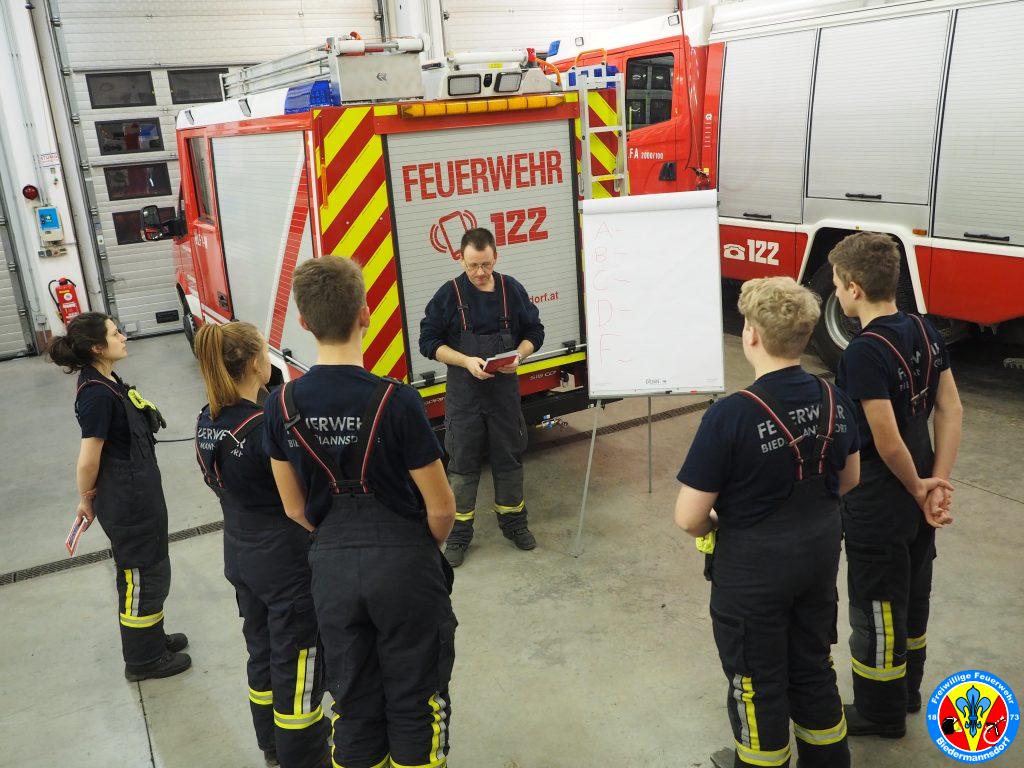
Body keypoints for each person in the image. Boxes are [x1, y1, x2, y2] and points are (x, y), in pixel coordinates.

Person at [264, 256, 457, 768]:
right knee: (416, 697)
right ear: (366, 314)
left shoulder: (279, 405)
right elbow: (442, 507)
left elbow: (293, 507)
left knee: (351, 700)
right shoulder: (397, 400)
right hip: (406, 566)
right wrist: (419, 549)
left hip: (331, 567)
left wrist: (336, 540)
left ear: (304, 322)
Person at [675, 278, 860, 768]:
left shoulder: (731, 415)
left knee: (756, 682)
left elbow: (689, 517)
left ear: (751, 335)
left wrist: (716, 525)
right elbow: (850, 478)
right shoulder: (834, 397)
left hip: (754, 575)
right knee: (813, 665)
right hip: (818, 559)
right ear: (805, 334)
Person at [830, 232, 962, 738]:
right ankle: (907, 693)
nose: (836, 293)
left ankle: (879, 711)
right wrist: (936, 482)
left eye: (837, 284)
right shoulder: (925, 328)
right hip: (920, 487)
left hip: (881, 499)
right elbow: (950, 408)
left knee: (877, 606)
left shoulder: (863, 352)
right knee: (914, 593)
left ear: (855, 288)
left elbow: (885, 441)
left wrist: (916, 487)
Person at [193, 322, 329, 768]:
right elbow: (298, 499)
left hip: (240, 551)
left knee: (263, 650)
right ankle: (303, 755)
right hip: (283, 559)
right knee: (300, 657)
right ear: (256, 363)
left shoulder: (207, 419)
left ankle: (271, 744)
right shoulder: (264, 428)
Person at [48, 312, 190, 681]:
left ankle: (152, 639)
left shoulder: (108, 380)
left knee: (154, 569)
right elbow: (88, 458)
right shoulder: (96, 395)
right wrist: (85, 499)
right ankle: (143, 661)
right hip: (126, 500)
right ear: (97, 347)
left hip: (140, 493)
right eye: (115, 333)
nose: (123, 336)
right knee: (140, 574)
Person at [419, 227, 545, 567]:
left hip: (504, 396)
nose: (480, 272)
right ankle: (458, 535)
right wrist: (464, 361)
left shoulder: (511, 289)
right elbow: (427, 342)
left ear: (496, 257)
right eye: (473, 265)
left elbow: (535, 331)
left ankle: (515, 524)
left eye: (486, 264)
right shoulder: (448, 295)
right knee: (462, 464)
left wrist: (519, 355)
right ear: (460, 259)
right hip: (465, 397)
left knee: (509, 459)